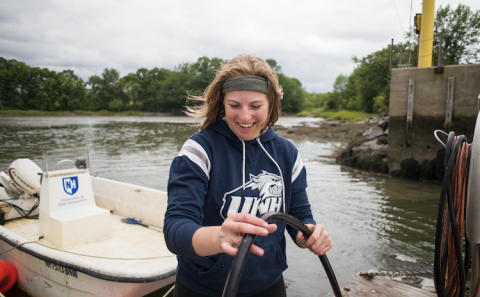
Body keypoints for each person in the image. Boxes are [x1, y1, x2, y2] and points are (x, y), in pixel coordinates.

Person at [164, 54, 332, 297]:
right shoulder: (199, 150)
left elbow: (300, 215)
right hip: (203, 288)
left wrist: (310, 234)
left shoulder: (287, 154)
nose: (244, 117)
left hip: (268, 285)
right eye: (234, 106)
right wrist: (218, 236)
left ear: (271, 104)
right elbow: (175, 229)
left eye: (255, 106)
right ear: (222, 104)